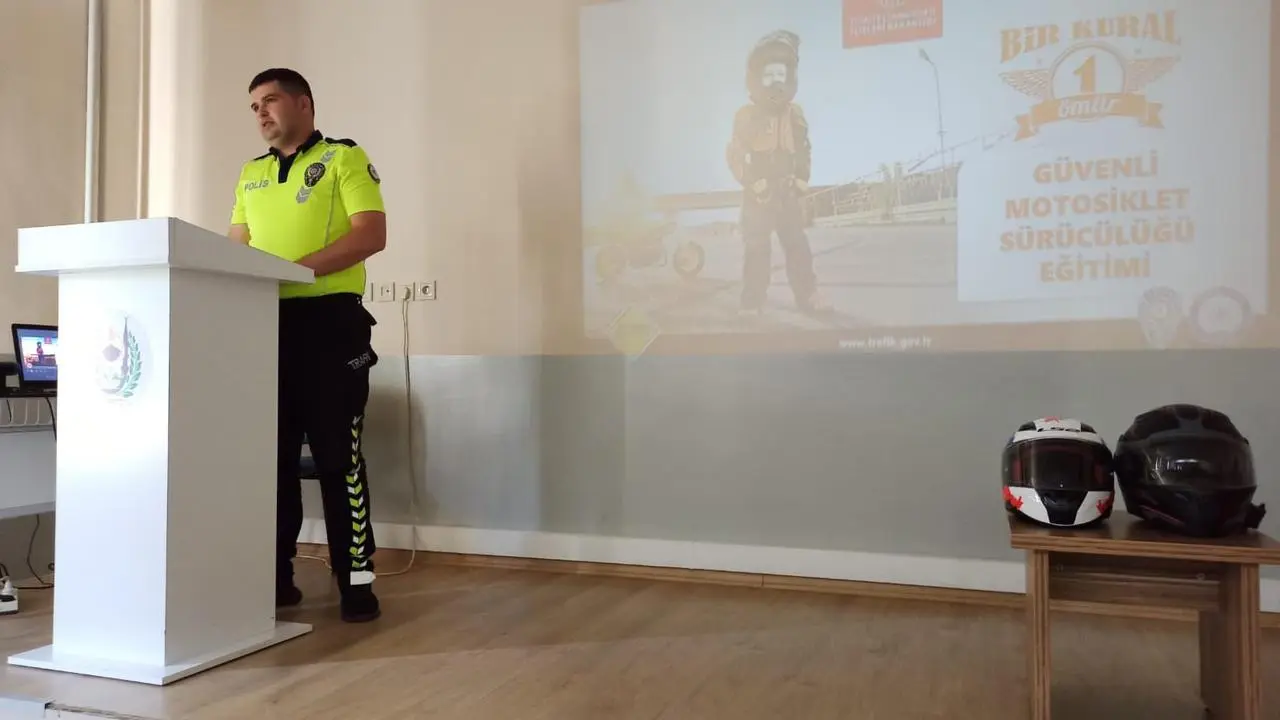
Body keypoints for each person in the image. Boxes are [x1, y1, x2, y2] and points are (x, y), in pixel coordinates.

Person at [228, 68, 386, 623]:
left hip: (331, 327)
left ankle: (357, 582)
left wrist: (292, 272)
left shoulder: (344, 157)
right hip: (264, 327)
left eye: (270, 101)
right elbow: (235, 251)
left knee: (339, 459)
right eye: (254, 106)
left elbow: (371, 234)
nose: (261, 113)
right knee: (270, 462)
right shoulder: (250, 174)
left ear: (303, 103)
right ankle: (276, 579)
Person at [726, 30, 830, 316]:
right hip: (758, 191)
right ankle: (752, 302)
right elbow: (735, 155)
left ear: (790, 78)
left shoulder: (794, 114)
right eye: (769, 75)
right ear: (756, 78)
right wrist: (753, 183)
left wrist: (802, 178)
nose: (775, 82)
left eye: (781, 75)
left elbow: (804, 149)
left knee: (797, 245)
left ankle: (808, 295)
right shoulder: (746, 116)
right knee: (756, 248)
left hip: (787, 190)